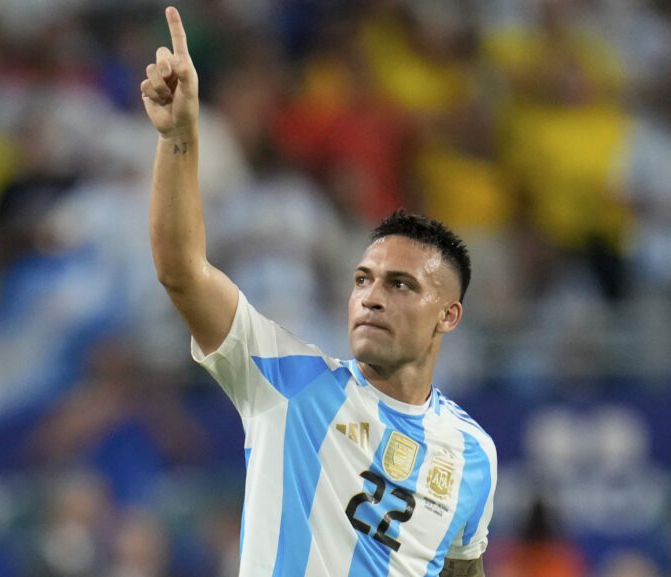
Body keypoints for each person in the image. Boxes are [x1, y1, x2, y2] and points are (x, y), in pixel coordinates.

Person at [139, 7, 497, 577]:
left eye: (401, 284)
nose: (373, 296)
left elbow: (460, 567)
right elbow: (181, 270)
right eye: (363, 280)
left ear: (448, 315)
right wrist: (180, 137)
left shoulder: (473, 452)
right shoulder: (288, 384)